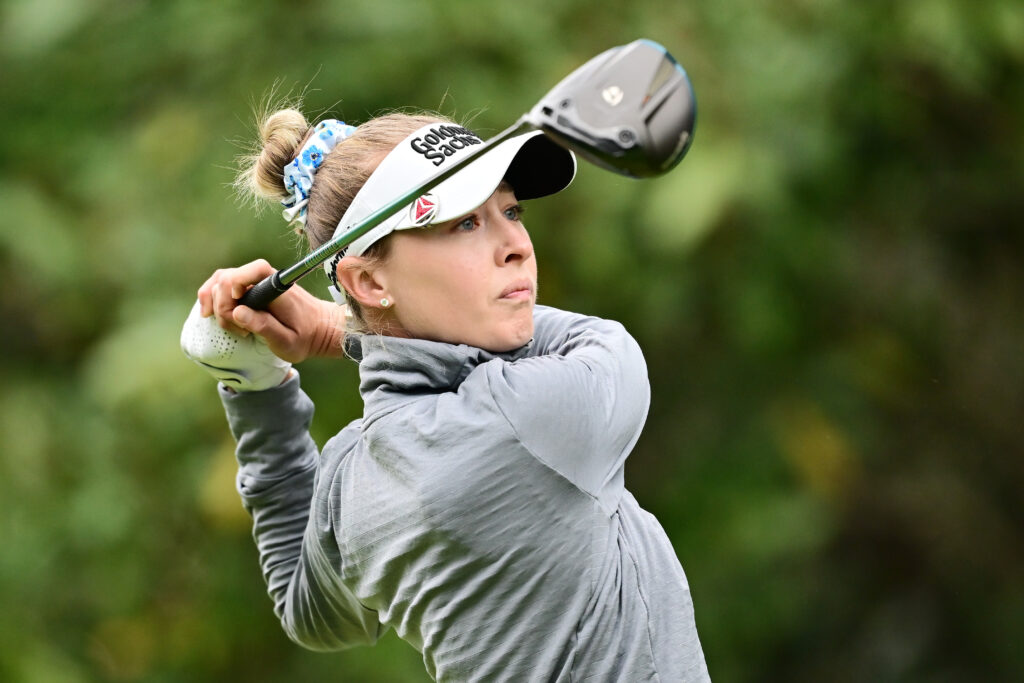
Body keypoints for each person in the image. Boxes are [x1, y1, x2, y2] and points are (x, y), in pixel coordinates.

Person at [181, 107, 711, 681]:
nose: (516, 245)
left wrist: (256, 385)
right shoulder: (520, 418)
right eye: (465, 222)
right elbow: (610, 347)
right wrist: (339, 330)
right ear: (369, 282)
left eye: (510, 211)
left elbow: (304, 610)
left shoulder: (350, 480)